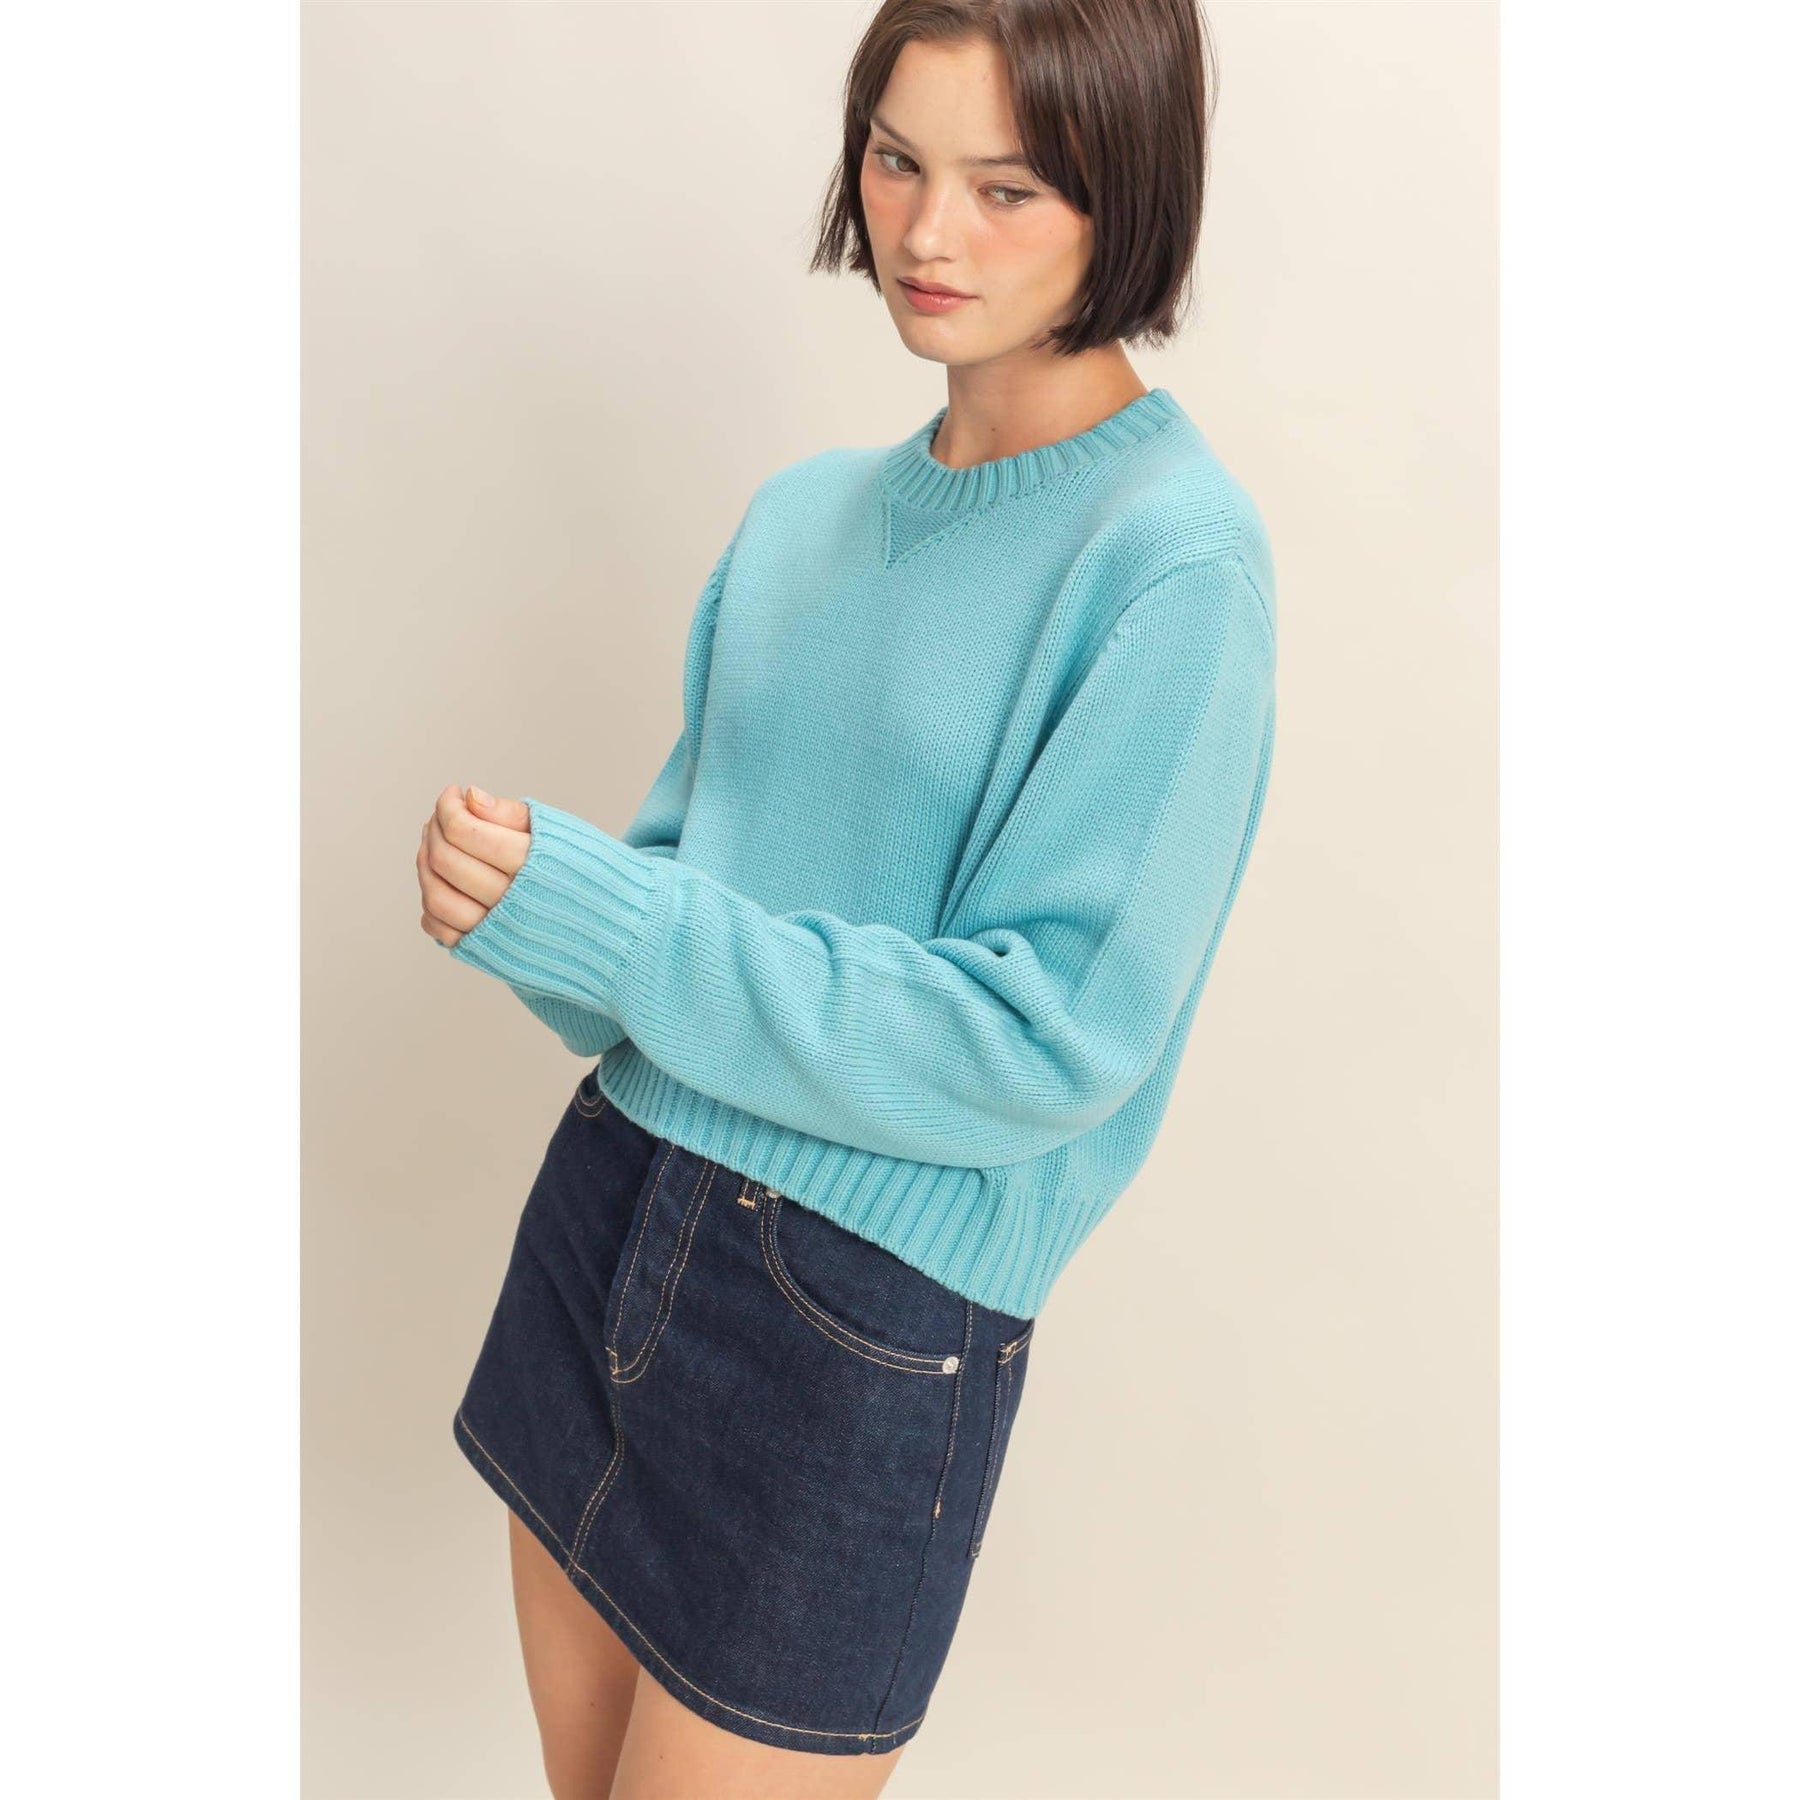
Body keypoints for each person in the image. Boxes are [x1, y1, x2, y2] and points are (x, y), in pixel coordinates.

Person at [416, 3, 1273, 1795]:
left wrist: (619, 923)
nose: (927, 231)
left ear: (1128, 191)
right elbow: (677, 926)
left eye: (1006, 187)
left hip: (852, 1329)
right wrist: (535, 913)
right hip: (609, 1211)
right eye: (897, 160)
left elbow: (1042, 1041)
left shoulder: (1172, 563)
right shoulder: (800, 519)